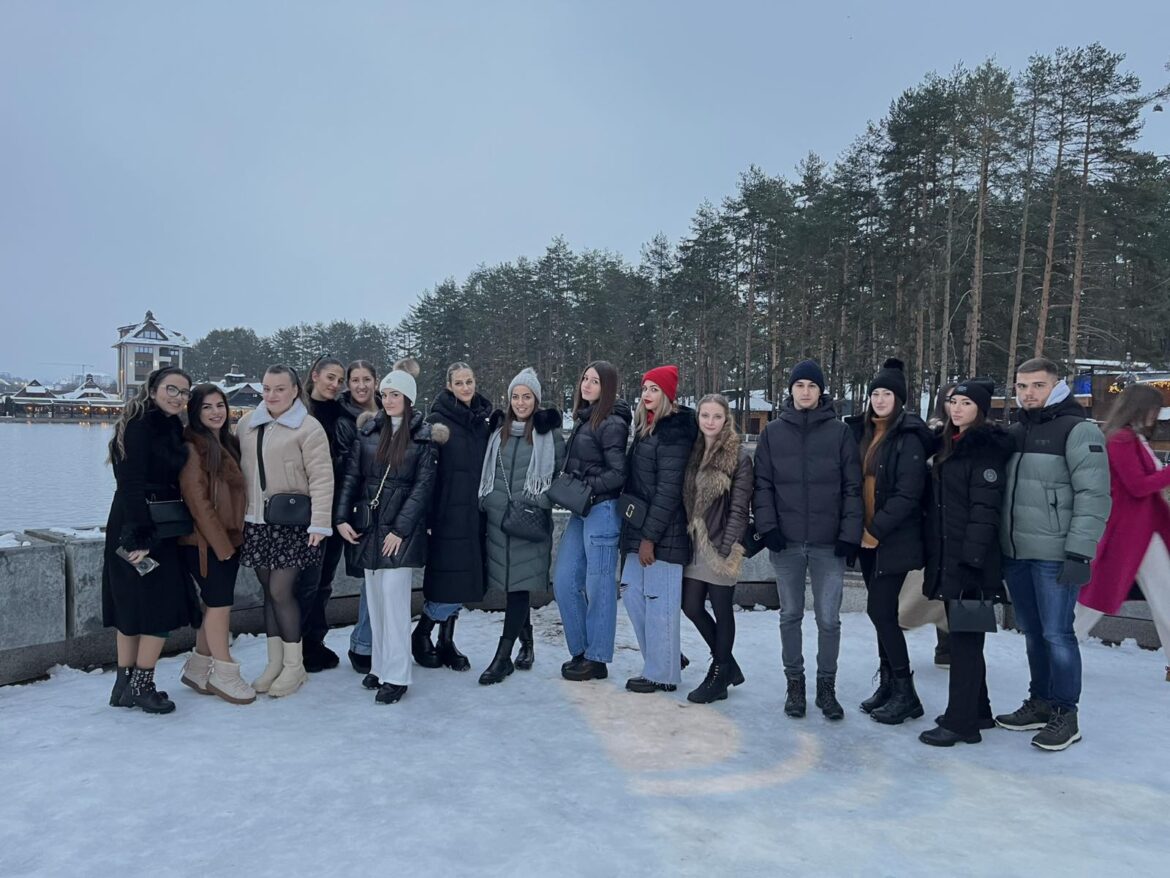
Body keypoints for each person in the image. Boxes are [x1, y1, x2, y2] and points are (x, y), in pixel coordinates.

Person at [996, 357, 1111, 751]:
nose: (1028, 393)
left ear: (1057, 386)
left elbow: (1094, 495)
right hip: (1017, 552)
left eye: (1037, 385)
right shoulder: (1016, 431)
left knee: (1058, 634)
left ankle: (1066, 712)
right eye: (1022, 386)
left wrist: (1080, 552)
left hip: (1055, 555)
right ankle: (1041, 701)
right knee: (1032, 632)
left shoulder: (1077, 431)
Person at [753, 358, 862, 720]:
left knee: (829, 619)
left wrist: (848, 535)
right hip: (786, 542)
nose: (805, 392)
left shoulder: (839, 432)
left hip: (828, 544)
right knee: (791, 615)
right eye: (799, 385)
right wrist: (768, 528)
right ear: (791, 390)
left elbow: (852, 488)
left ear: (821, 391)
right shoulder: (772, 433)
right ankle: (794, 684)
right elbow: (763, 485)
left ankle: (826, 686)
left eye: (812, 386)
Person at [918, 380, 1014, 746]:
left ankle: (961, 723)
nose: (956, 409)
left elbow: (984, 511)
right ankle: (979, 710)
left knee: (965, 644)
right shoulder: (951, 444)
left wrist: (972, 562)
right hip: (952, 558)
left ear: (981, 409)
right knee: (965, 638)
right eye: (952, 402)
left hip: (971, 563)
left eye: (966, 403)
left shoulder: (984, 450)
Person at [335, 370, 437, 704]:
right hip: (368, 526)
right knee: (376, 600)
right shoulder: (368, 432)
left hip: (398, 531)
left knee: (394, 603)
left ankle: (397, 675)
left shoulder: (423, 438)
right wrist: (340, 517)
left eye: (396, 394)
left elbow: (422, 490)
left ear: (408, 399)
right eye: (385, 394)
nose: (388, 400)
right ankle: (380, 666)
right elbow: (351, 477)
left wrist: (401, 530)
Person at [102, 366, 198, 714]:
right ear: (154, 389)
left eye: (185, 392)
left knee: (131, 604)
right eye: (172, 389)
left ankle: (124, 685)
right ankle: (142, 685)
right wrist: (138, 534)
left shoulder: (165, 425)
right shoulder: (142, 426)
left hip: (140, 520)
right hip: (143, 524)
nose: (178, 397)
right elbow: (131, 482)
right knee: (159, 605)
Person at [237, 365, 334, 698]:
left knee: (281, 591)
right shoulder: (247, 424)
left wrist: (320, 522)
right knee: (269, 592)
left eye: (280, 388)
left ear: (295, 390)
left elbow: (322, 477)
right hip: (257, 522)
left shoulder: (308, 428)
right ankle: (274, 662)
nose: (272, 395)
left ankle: (295, 666)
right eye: (266, 388)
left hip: (293, 525)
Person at [847, 358, 932, 724]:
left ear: (900, 399)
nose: (880, 400)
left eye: (887, 394)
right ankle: (888, 684)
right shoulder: (864, 431)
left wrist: (875, 530)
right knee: (880, 614)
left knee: (880, 612)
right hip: (865, 538)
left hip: (890, 538)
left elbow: (908, 493)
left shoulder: (909, 436)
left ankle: (905, 691)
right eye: (875, 393)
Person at [1075, 383, 1170, 682]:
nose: (1157, 416)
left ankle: (1056, 648)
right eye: (1155, 409)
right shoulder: (1122, 440)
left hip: (1139, 532)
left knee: (1161, 597)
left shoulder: (1129, 438)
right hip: (1130, 533)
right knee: (1093, 600)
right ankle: (1056, 648)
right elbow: (1139, 485)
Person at [477, 368, 565, 684]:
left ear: (536, 399)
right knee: (514, 587)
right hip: (499, 522)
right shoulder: (497, 431)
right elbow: (485, 472)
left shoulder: (548, 434)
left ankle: (503, 658)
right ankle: (527, 643)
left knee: (518, 588)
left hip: (529, 523)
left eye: (527, 396)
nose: (521, 402)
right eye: (516, 396)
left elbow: (558, 475)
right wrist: (488, 502)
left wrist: (539, 501)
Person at [619, 366, 698, 694]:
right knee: (630, 589)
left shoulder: (673, 431)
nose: (647, 394)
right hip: (640, 526)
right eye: (645, 388)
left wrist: (650, 537)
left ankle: (662, 674)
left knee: (659, 599)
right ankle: (665, 656)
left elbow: (668, 489)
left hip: (665, 531)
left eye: (654, 389)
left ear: (668, 394)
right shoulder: (645, 426)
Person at [553, 361, 633, 681]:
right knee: (564, 580)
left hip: (601, 511)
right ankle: (581, 651)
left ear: (608, 387)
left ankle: (597, 658)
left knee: (598, 586)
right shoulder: (586, 417)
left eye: (595, 381)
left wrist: (585, 488)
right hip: (582, 511)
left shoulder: (611, 422)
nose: (586, 385)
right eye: (584, 378)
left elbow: (618, 473)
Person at [177, 384, 254, 704]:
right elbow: (198, 502)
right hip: (204, 543)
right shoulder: (193, 447)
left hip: (228, 539)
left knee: (213, 603)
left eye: (219, 405)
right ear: (195, 412)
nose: (215, 412)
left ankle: (197, 668)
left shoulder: (227, 444)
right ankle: (224, 672)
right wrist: (222, 546)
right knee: (220, 605)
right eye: (206, 407)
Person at [414, 361, 493, 671]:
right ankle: (422, 633)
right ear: (449, 386)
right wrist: (428, 519)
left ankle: (447, 641)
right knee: (446, 580)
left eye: (469, 381)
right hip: (446, 515)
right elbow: (427, 475)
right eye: (459, 383)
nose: (465, 387)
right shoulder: (437, 422)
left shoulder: (481, 423)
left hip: (474, 515)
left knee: (463, 580)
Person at [681, 393, 752, 703]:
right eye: (705, 415)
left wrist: (725, 548)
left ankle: (719, 675)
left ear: (726, 420)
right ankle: (728, 665)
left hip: (722, 543)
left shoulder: (739, 457)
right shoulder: (693, 451)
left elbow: (740, 508)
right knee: (692, 606)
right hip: (694, 543)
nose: (710, 422)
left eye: (716, 416)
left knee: (722, 609)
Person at [298, 355, 348, 673]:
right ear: (315, 375)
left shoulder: (344, 413)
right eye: (330, 377)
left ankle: (315, 640)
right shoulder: (299, 413)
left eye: (339, 380)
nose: (335, 384)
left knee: (325, 579)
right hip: (307, 509)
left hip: (336, 507)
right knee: (306, 581)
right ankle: (297, 644)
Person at [336, 358, 381, 675]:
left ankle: (375, 641)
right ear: (347, 384)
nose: (361, 385)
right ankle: (362, 643)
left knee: (383, 578)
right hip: (361, 506)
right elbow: (345, 470)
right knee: (369, 577)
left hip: (389, 505)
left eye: (367, 379)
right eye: (355, 380)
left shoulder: (392, 408)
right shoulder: (342, 419)